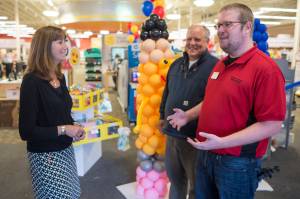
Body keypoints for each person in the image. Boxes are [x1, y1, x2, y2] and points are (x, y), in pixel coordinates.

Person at [167, 3, 286, 199]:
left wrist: (222, 142)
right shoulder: (221, 65)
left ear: (247, 27)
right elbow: (212, 101)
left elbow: (272, 124)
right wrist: (188, 115)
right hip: (206, 154)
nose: (220, 31)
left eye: (228, 24)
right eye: (218, 25)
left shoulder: (266, 70)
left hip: (237, 163)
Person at [19, 26, 85, 199]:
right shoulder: (31, 81)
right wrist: (64, 129)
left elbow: (61, 113)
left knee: (72, 194)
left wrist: (73, 127)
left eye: (65, 41)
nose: (65, 46)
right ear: (44, 46)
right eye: (60, 41)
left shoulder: (59, 76)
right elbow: (26, 131)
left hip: (65, 149)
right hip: (45, 156)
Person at [159, 25, 218, 199]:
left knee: (196, 184)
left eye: (197, 39)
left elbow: (216, 101)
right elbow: (166, 92)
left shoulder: (216, 67)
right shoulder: (176, 64)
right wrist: (162, 116)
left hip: (195, 137)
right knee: (176, 181)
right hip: (171, 134)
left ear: (207, 42)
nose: (192, 43)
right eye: (189, 39)